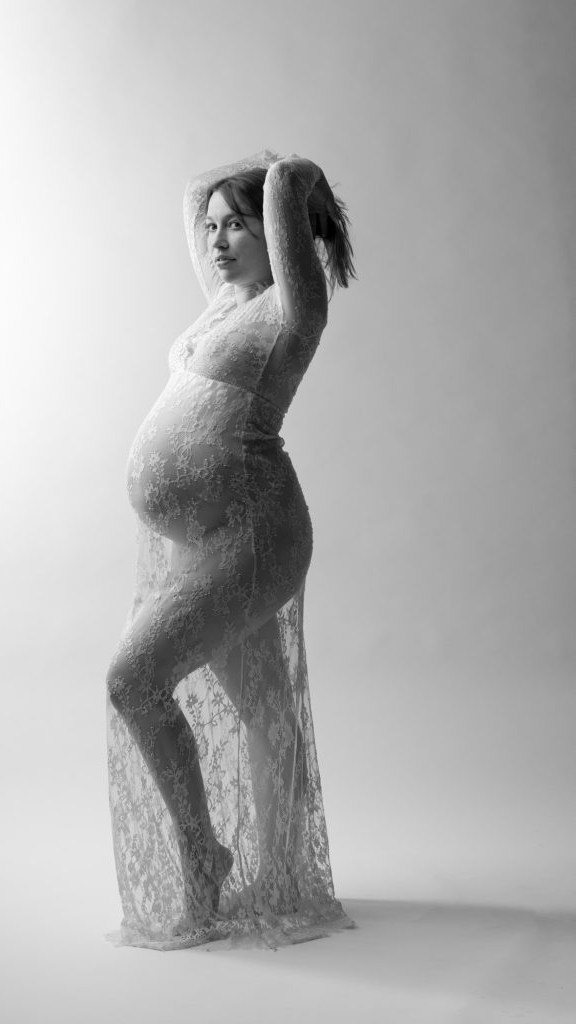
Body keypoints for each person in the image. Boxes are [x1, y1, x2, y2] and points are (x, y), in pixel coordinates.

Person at [105, 149, 356, 950]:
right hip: (208, 538)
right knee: (262, 712)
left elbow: (284, 188)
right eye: (211, 228)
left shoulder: (292, 308)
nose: (215, 240)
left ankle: (203, 857)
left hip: (254, 533)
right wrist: (221, 201)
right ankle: (278, 870)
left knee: (133, 680)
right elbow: (191, 198)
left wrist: (293, 178)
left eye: (236, 226)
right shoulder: (221, 306)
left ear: (278, 235)